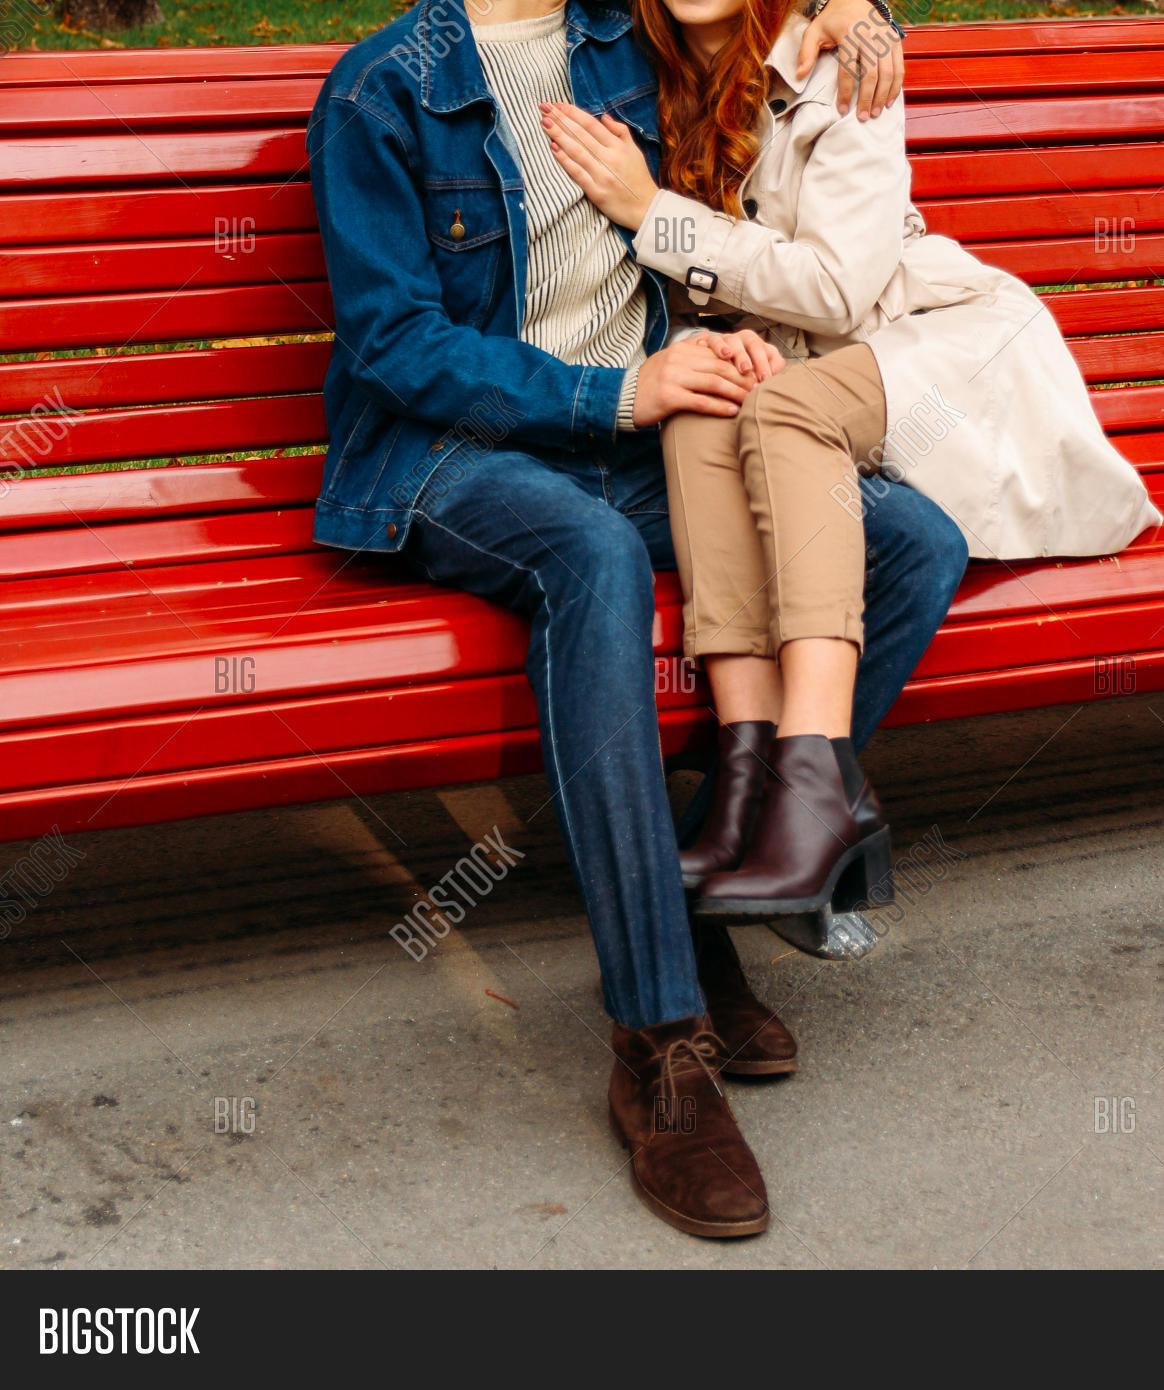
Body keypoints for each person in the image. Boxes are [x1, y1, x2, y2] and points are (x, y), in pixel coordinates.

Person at [306, 0, 969, 1240]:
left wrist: (846, 8)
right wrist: (614, 392)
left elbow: (757, 51)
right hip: (457, 456)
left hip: (647, 433)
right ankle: (662, 1039)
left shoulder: (632, 43)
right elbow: (394, 345)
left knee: (913, 542)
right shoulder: (381, 91)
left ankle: (713, 877)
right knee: (596, 561)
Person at [542, 0, 1163, 920]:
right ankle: (746, 789)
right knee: (704, 412)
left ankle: (817, 785)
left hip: (934, 349)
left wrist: (652, 214)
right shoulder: (629, 73)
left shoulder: (842, 64)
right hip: (801, 363)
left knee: (784, 415)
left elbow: (838, 288)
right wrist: (726, 341)